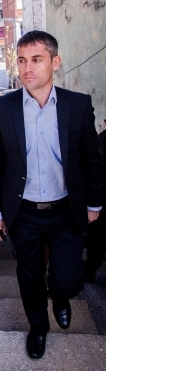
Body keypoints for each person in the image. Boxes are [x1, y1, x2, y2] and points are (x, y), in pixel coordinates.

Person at [0, 31, 103, 359]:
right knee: (29, 276)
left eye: (36, 60)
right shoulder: (3, 108)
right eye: (22, 60)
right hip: (23, 212)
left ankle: (61, 297)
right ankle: (38, 327)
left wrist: (94, 203)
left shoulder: (77, 105)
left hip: (66, 209)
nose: (27, 68)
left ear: (55, 62)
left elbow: (91, 160)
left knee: (67, 280)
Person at [83, 120, 106, 283]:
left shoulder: (99, 141)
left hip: (100, 200)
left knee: (96, 239)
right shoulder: (98, 142)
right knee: (96, 239)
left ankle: (89, 271)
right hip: (100, 201)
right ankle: (90, 270)